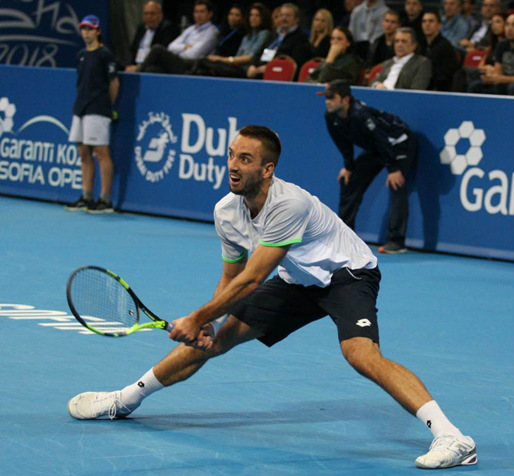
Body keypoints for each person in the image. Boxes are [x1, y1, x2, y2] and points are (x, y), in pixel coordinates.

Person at [67, 124, 477, 470]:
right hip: (297, 279)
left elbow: (252, 279)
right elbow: (232, 275)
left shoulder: (288, 204)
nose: (232, 165)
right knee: (217, 340)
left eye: (245, 159)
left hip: (346, 274)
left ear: (267, 169)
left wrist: (195, 315)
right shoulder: (226, 211)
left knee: (360, 354)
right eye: (231, 155)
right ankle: (124, 400)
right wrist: (208, 321)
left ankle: (452, 438)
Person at [322, 80, 416, 253]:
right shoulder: (330, 116)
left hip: (398, 143)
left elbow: (382, 138)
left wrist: (394, 168)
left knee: (396, 184)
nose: (327, 101)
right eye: (326, 97)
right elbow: (343, 143)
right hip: (376, 148)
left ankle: (396, 241)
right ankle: (344, 237)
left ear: (345, 100)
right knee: (349, 181)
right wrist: (349, 166)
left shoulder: (361, 114)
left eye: (331, 97)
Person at [65, 15, 119, 214]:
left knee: (101, 153)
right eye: (83, 28)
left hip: (99, 109)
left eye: (90, 28)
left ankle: (105, 200)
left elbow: (114, 84)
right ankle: (86, 196)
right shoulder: (81, 55)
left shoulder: (105, 54)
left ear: (98, 31)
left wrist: (107, 107)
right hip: (80, 108)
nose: (86, 32)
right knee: (83, 153)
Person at [192, 2, 271, 79]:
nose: (253, 18)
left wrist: (223, 60)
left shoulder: (264, 34)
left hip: (245, 69)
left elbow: (250, 57)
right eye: (251, 15)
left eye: (257, 15)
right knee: (203, 64)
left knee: (203, 62)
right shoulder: (247, 36)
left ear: (263, 17)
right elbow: (238, 54)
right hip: (234, 66)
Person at [138, 0, 219, 74]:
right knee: (153, 69)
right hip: (179, 61)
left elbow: (193, 55)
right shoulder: (190, 29)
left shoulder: (212, 32)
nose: (198, 15)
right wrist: (185, 47)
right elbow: (171, 47)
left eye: (202, 12)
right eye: (196, 12)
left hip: (192, 64)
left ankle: (136, 74)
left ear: (210, 14)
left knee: (157, 49)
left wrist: (180, 50)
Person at [246, 3, 311, 80]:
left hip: (279, 75)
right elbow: (258, 53)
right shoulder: (273, 35)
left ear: (296, 19)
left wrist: (269, 67)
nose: (283, 18)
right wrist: (252, 65)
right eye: (281, 15)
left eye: (288, 15)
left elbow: (294, 62)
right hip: (260, 72)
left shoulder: (301, 38)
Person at [123, 1, 179, 72]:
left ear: (160, 15)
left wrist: (139, 67)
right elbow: (133, 50)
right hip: (137, 62)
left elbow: (160, 55)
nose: (149, 17)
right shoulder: (141, 28)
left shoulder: (168, 28)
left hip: (153, 65)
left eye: (152, 14)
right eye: (146, 14)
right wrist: (129, 64)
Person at [468, 12, 514, 95]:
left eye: (513, 25)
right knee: (475, 86)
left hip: (510, 83)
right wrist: (489, 77)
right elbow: (498, 73)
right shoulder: (502, 45)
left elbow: (500, 78)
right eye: (507, 25)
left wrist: (501, 79)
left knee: (512, 88)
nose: (509, 28)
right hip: (505, 82)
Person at [419, 11, 459, 91]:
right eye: (424, 21)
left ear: (439, 25)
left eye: (431, 21)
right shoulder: (420, 44)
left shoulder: (445, 47)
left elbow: (446, 75)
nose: (427, 24)